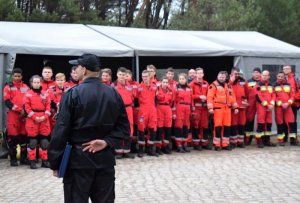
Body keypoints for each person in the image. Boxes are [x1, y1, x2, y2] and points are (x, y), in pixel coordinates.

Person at [48, 54, 130, 203]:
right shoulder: (113, 93)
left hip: (78, 163)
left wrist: (55, 162)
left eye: (77, 67)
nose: (74, 70)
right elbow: (124, 129)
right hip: (105, 160)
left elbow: (61, 130)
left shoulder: (72, 94)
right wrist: (106, 142)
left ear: (84, 70)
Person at [3, 68, 29, 166]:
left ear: (22, 76)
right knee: (13, 138)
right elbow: (7, 102)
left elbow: (29, 100)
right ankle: (13, 159)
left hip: (24, 116)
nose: (17, 78)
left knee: (23, 138)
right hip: (13, 116)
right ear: (12, 76)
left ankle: (23, 158)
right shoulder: (8, 87)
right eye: (15, 76)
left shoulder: (26, 87)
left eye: (19, 76)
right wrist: (19, 110)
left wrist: (25, 110)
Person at [207, 71, 238, 151]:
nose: (221, 78)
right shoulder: (213, 85)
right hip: (218, 109)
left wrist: (235, 107)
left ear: (225, 77)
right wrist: (210, 108)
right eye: (220, 76)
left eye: (223, 77)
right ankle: (217, 144)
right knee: (218, 127)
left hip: (227, 109)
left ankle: (225, 144)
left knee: (227, 127)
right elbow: (209, 97)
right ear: (217, 76)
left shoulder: (228, 86)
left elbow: (232, 97)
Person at [24, 75, 51, 169]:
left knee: (44, 142)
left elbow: (48, 106)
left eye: (38, 82)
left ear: (41, 83)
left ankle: (44, 161)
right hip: (32, 120)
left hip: (44, 119)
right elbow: (27, 108)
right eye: (34, 82)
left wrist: (45, 116)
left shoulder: (45, 94)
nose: (36, 84)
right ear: (31, 83)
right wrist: (35, 117)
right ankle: (32, 161)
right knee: (33, 142)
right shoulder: (28, 94)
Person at [111, 67, 135, 159]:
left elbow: (133, 98)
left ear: (126, 76)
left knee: (129, 128)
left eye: (124, 75)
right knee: (118, 128)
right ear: (117, 75)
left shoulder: (130, 86)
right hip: (118, 109)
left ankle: (127, 150)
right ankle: (118, 151)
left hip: (128, 109)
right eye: (120, 74)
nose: (122, 76)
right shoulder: (113, 86)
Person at [136, 70, 158, 157]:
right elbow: (135, 100)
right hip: (142, 110)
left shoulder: (154, 87)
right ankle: (141, 150)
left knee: (152, 129)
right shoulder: (139, 87)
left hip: (152, 110)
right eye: (143, 76)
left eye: (146, 76)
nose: (144, 78)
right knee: (141, 130)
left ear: (150, 77)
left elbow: (156, 99)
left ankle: (150, 149)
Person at [273, 71, 297, 146]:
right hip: (279, 107)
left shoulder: (289, 85)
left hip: (288, 107)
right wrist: (280, 104)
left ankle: (293, 140)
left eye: (282, 76)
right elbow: (273, 96)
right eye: (279, 76)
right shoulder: (274, 85)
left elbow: (292, 95)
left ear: (284, 77)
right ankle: (281, 140)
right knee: (280, 123)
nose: (280, 78)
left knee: (291, 123)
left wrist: (288, 103)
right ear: (277, 77)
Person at [189, 67, 210, 150]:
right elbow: (190, 96)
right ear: (195, 74)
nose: (200, 75)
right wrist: (199, 96)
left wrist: (207, 98)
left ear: (203, 74)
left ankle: (205, 143)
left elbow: (210, 94)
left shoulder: (206, 83)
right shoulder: (191, 84)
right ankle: (196, 143)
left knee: (205, 125)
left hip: (205, 108)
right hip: (196, 108)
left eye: (201, 73)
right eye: (198, 73)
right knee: (196, 126)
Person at [255, 70, 276, 148]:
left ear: (269, 76)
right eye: (263, 75)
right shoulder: (258, 85)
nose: (265, 76)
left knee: (269, 124)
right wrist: (267, 105)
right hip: (262, 107)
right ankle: (259, 141)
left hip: (269, 107)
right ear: (261, 75)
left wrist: (272, 104)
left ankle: (267, 140)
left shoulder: (271, 85)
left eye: (266, 75)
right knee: (260, 124)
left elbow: (274, 95)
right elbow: (258, 97)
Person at [174, 73, 193, 153]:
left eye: (183, 79)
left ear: (186, 79)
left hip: (187, 108)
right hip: (179, 107)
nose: (181, 80)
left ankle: (185, 144)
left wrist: (192, 109)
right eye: (180, 79)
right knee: (179, 126)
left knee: (186, 127)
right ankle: (179, 145)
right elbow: (173, 100)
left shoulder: (189, 88)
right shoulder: (176, 88)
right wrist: (174, 111)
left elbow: (192, 99)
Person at [229, 68, 248, 148]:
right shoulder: (229, 83)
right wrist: (231, 81)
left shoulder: (243, 82)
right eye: (235, 74)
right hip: (233, 107)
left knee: (242, 124)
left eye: (238, 74)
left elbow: (247, 92)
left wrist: (247, 102)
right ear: (231, 74)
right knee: (233, 125)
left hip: (242, 107)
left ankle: (240, 142)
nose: (237, 75)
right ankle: (233, 142)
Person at [156, 76, 175, 154]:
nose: (165, 84)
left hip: (168, 109)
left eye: (166, 82)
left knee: (168, 130)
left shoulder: (171, 91)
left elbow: (172, 102)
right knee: (159, 130)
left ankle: (165, 147)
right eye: (163, 82)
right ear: (161, 82)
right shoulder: (157, 90)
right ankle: (158, 148)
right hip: (159, 108)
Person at [282, 65, 299, 142]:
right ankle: (284, 137)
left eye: (287, 69)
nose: (285, 70)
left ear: (290, 69)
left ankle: (293, 139)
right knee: (283, 121)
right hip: (284, 104)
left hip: (293, 104)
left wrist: (294, 99)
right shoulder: (281, 78)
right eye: (284, 69)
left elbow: (299, 90)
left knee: (293, 121)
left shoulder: (295, 79)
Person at [245, 67, 261, 145]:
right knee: (249, 121)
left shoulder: (263, 82)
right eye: (255, 72)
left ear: (260, 74)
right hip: (250, 104)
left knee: (260, 121)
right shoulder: (248, 82)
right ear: (252, 73)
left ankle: (260, 139)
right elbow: (244, 93)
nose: (256, 74)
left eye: (258, 72)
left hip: (260, 104)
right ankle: (248, 139)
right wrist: (245, 101)